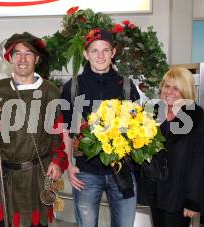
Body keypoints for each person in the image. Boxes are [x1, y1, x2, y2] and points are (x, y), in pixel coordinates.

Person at [0, 32, 69, 227]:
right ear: (10, 58)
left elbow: (57, 135)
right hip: (5, 179)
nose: (22, 59)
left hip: (37, 177)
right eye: (17, 53)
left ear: (37, 58)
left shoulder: (50, 91)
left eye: (28, 53)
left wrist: (57, 162)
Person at [60, 28, 140, 227]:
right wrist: (68, 165)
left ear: (113, 52)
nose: (100, 55)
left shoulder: (127, 87)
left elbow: (139, 128)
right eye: (94, 50)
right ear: (86, 54)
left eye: (105, 50)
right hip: (86, 172)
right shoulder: (73, 87)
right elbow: (66, 130)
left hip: (123, 170)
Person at [142, 67, 204, 227]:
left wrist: (194, 201)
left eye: (176, 88)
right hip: (156, 193)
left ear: (186, 91)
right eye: (166, 86)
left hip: (179, 198)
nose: (169, 92)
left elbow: (203, 165)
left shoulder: (200, 123)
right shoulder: (152, 115)